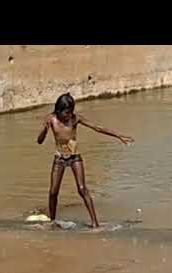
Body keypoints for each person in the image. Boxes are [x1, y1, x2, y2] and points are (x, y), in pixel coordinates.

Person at [37, 93, 134, 228]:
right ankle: (52, 221)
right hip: (59, 158)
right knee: (53, 191)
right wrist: (45, 130)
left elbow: (97, 128)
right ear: (59, 110)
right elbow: (39, 141)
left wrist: (119, 136)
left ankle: (95, 223)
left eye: (71, 112)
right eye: (66, 113)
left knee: (82, 189)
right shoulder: (51, 119)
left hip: (75, 157)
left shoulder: (76, 119)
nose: (69, 116)